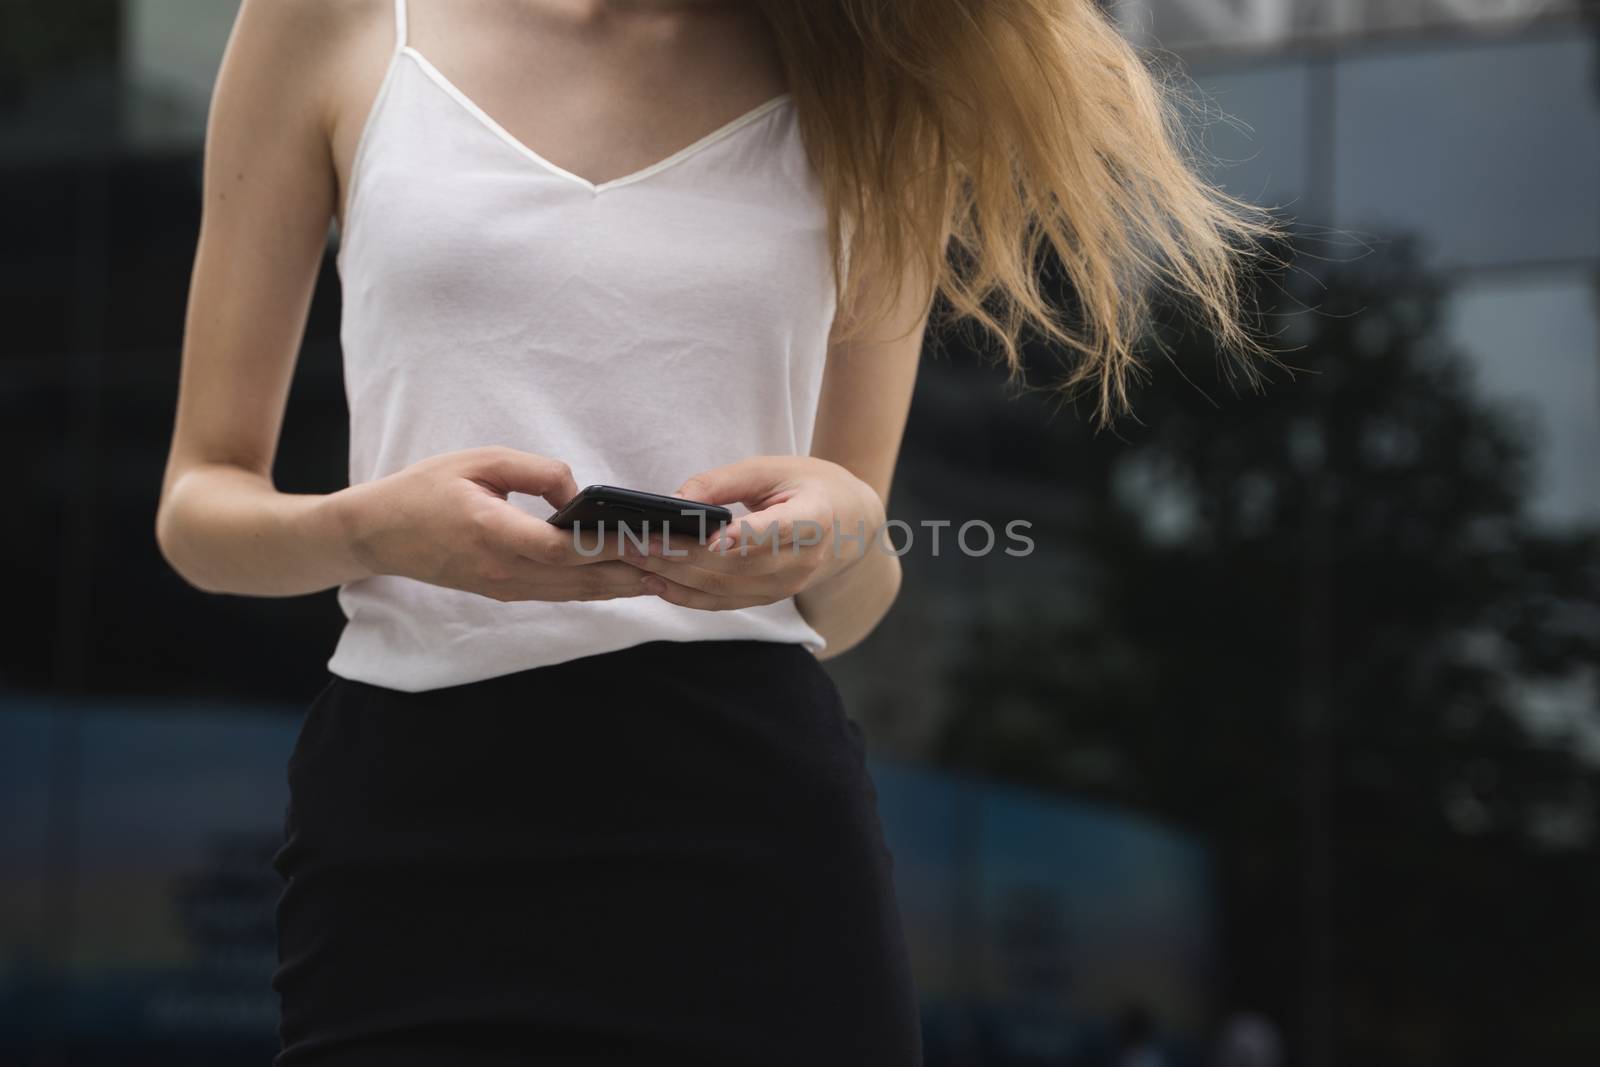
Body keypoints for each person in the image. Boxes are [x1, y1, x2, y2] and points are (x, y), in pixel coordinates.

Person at [154, 0, 1279, 1063]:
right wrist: (374, 531)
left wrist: (840, 533)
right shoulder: (334, 19)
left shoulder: (870, 74)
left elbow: (850, 591)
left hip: (749, 811)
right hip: (408, 813)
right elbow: (202, 508)